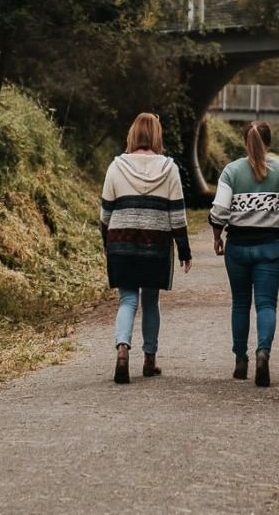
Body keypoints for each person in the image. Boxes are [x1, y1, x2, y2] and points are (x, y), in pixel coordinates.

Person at [208, 121, 279, 387]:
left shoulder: (231, 171)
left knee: (240, 303)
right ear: (270, 143)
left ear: (245, 142)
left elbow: (219, 211)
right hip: (269, 247)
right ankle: (263, 353)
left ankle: (240, 361)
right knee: (266, 304)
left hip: (238, 247)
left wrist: (218, 236)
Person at [99, 112, 191, 384]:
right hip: (155, 244)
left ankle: (123, 349)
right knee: (150, 300)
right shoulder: (169, 168)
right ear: (156, 136)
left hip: (122, 242)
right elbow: (177, 214)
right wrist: (184, 250)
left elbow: (105, 212)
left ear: (132, 135)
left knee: (128, 300)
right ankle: (149, 360)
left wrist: (107, 242)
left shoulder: (116, 167)